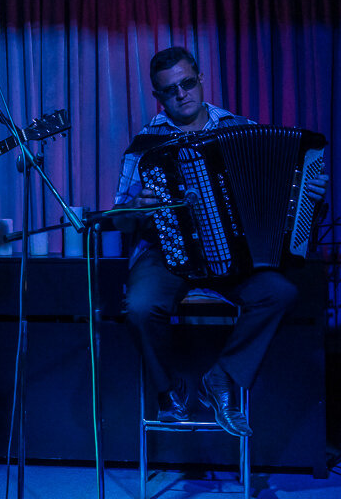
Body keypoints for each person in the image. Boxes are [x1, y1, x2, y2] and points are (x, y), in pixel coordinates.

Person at [113, 46, 325, 437]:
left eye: (187, 83)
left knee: (278, 293)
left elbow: (285, 192)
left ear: (200, 79)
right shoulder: (144, 146)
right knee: (140, 307)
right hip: (167, 253)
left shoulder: (240, 128)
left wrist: (309, 191)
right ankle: (168, 389)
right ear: (158, 96)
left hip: (233, 254)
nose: (181, 94)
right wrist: (138, 209)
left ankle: (222, 377)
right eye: (169, 90)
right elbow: (120, 216)